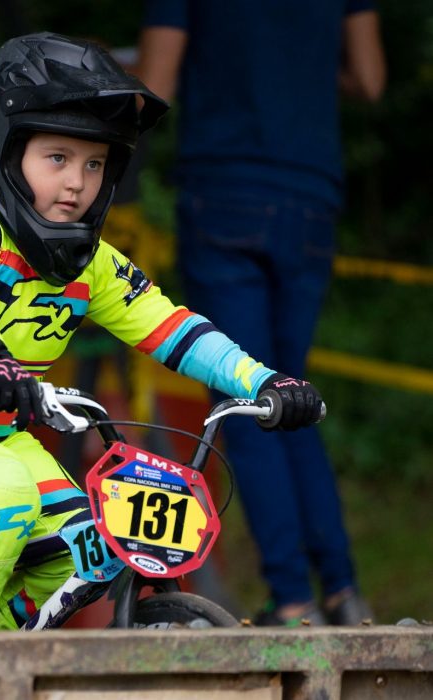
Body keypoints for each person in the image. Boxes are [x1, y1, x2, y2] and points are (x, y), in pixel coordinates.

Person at [0, 32, 326, 632]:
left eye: (94, 164)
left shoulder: (89, 264)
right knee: (1, 496)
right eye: (57, 159)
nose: (76, 183)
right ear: (6, 154)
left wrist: (264, 380)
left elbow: (173, 328)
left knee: (92, 549)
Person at [134, 2, 386, 625]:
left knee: (247, 397)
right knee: (292, 391)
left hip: (227, 192)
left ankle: (293, 600)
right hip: (310, 195)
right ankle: (343, 592)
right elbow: (370, 80)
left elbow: (156, 90)